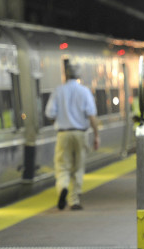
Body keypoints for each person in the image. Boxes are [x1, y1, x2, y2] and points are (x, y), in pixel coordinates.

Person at [45, 63, 100, 211]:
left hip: (63, 133)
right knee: (78, 167)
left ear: (66, 75)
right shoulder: (84, 91)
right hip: (80, 133)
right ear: (79, 76)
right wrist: (96, 135)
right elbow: (91, 116)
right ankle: (74, 200)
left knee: (62, 166)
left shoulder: (58, 91)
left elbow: (50, 113)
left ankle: (63, 187)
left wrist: (60, 122)